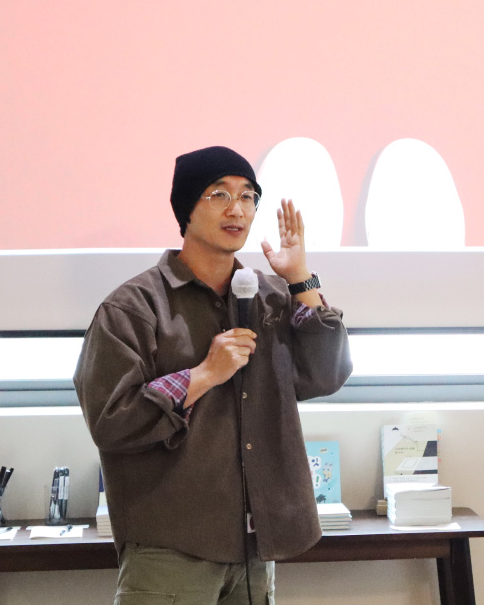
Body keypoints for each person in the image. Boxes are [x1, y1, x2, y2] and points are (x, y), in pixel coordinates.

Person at [74, 146, 352, 605]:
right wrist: (203, 375)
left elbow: (327, 373)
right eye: (219, 194)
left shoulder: (269, 296)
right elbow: (110, 419)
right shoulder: (133, 307)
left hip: (255, 547)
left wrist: (300, 279)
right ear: (187, 209)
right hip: (170, 548)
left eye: (247, 197)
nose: (236, 209)